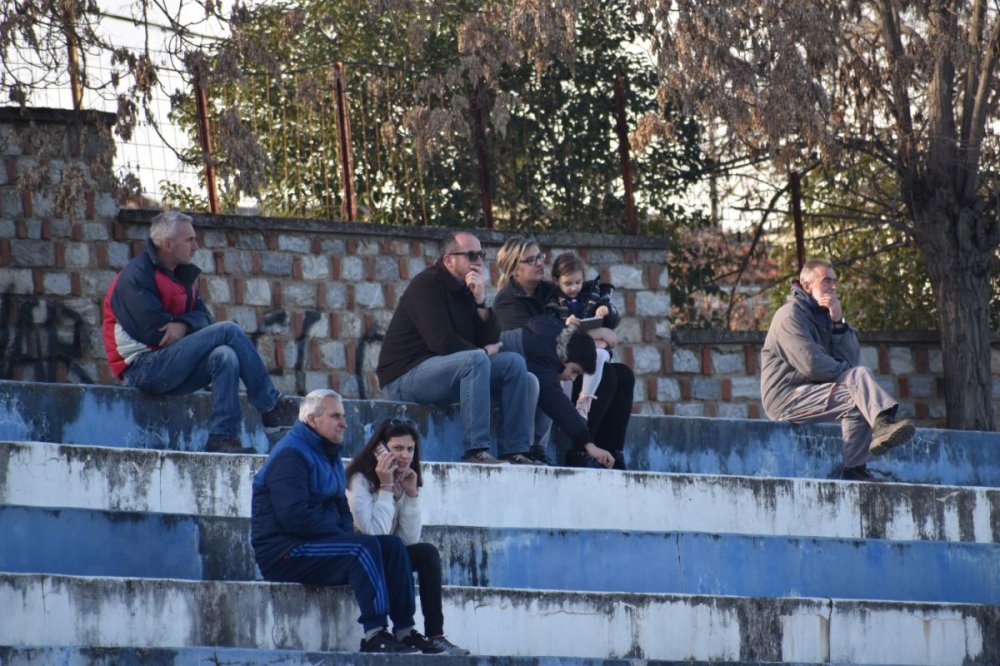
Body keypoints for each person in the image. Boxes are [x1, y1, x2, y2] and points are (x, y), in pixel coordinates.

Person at [251, 389, 440, 654]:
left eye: (344, 416)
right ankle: (375, 634)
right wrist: (341, 533)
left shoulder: (327, 455)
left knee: (392, 546)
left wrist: (342, 531)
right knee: (362, 547)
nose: (344, 423)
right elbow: (293, 516)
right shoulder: (290, 455)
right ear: (312, 419)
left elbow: (341, 509)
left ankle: (405, 631)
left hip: (316, 543)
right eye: (336, 416)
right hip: (285, 552)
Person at [102, 210, 297, 453]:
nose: (196, 246)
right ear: (167, 244)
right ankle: (270, 406)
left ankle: (223, 438)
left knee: (225, 354)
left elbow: (205, 318)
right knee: (228, 330)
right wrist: (188, 325)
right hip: (143, 369)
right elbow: (156, 334)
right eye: (189, 240)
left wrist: (183, 324)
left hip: (171, 366)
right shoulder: (135, 277)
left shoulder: (182, 276)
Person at [376, 231, 536, 465]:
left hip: (446, 373)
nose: (479, 261)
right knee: (476, 360)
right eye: (471, 255)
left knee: (514, 364)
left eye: (481, 255)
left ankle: (515, 451)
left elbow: (491, 339)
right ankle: (476, 451)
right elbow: (441, 342)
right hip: (405, 378)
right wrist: (482, 353)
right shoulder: (427, 285)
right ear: (449, 259)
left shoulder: (467, 289)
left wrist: (481, 300)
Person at [760, 259, 916, 481]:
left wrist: (838, 323)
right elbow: (812, 365)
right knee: (858, 392)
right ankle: (878, 429)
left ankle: (857, 466)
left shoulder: (825, 317)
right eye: (826, 281)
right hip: (785, 398)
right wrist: (849, 377)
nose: (833, 287)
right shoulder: (789, 316)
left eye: (835, 281)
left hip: (812, 391)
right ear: (806, 286)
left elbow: (853, 361)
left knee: (859, 391)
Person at [494, 238, 635, 467]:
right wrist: (596, 333)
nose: (539, 262)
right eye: (531, 259)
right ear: (513, 267)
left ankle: (612, 451)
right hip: (538, 372)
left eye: (540, 256)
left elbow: (592, 301)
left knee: (623, 375)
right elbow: (546, 338)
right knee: (606, 378)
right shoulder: (506, 302)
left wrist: (608, 313)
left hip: (559, 364)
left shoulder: (551, 289)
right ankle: (580, 451)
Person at [346, 419, 470, 655]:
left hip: (391, 555)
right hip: (361, 558)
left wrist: (411, 495)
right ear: (379, 450)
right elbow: (375, 536)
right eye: (397, 448)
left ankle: (435, 635)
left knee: (426, 552)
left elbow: (409, 541)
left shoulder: (404, 480)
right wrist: (384, 487)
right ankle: (398, 629)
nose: (405, 455)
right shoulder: (359, 480)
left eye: (410, 449)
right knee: (390, 544)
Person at [521, 316, 629, 469]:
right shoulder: (544, 351)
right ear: (566, 357)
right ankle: (523, 450)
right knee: (536, 384)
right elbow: (556, 401)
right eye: (574, 371)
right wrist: (589, 445)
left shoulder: (551, 343)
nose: (571, 378)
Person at [547, 252, 620, 419]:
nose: (573, 288)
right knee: (565, 363)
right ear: (556, 280)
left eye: (578, 282)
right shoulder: (553, 300)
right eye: (568, 283)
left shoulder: (592, 294)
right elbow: (550, 324)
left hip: (591, 346)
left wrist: (603, 310)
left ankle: (584, 403)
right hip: (568, 348)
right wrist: (565, 322)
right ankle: (564, 407)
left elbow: (610, 312)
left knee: (600, 354)